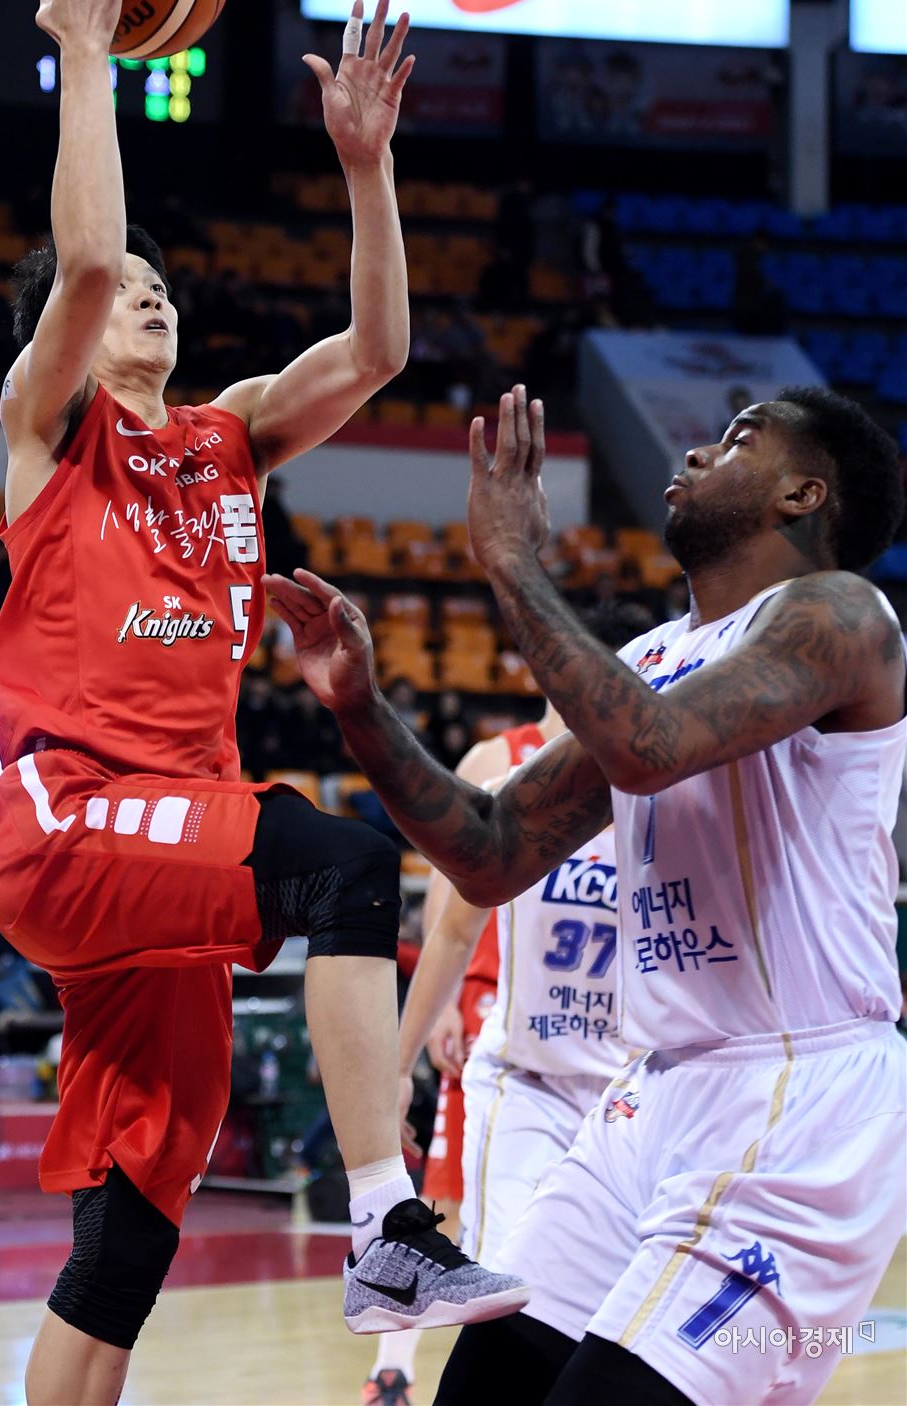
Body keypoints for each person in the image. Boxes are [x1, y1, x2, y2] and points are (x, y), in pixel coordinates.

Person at [0, 0, 526, 1406]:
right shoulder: (50, 430)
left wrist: (367, 169)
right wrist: (88, 51)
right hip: (77, 819)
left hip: (174, 853)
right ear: (70, 336)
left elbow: (377, 353)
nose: (147, 292)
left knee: (130, 1230)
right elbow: (81, 263)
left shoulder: (228, 437)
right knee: (345, 864)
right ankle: (385, 1221)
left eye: (165, 284)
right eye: (125, 291)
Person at [265, 381, 907, 1406]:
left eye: (738, 440)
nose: (697, 453)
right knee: (482, 1390)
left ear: (803, 492)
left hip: (800, 1103)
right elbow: (491, 849)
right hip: (654, 1095)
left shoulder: (841, 616)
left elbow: (651, 748)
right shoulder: (649, 658)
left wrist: (513, 563)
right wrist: (361, 707)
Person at [362, 607, 647, 1406]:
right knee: (515, 1294)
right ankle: (395, 1367)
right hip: (524, 1080)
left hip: (624, 1093)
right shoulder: (508, 776)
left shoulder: (657, 794)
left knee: (608, 1308)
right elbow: (451, 929)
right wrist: (398, 1065)